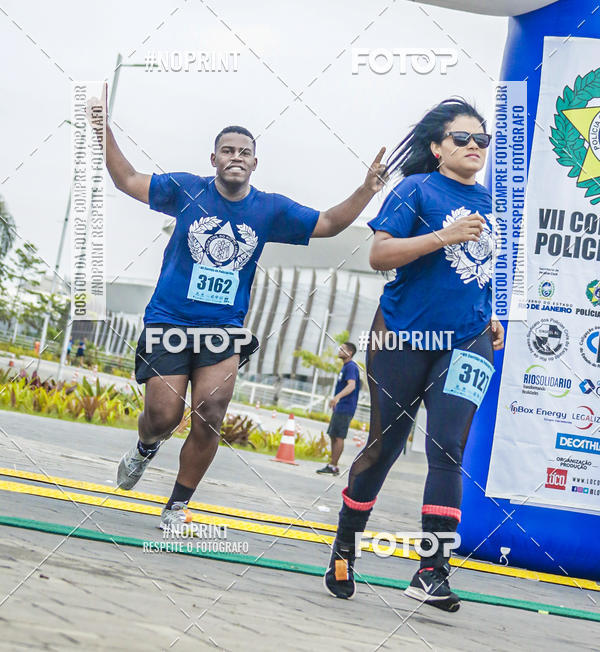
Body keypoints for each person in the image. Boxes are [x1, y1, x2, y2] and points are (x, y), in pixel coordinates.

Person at [97, 107, 386, 533]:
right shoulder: (185, 190)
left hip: (223, 329)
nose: (236, 156)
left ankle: (177, 506)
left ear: (254, 163)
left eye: (244, 152)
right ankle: (144, 448)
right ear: (213, 159)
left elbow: (327, 223)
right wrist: (101, 128)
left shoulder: (268, 210)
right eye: (227, 150)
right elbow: (126, 180)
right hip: (170, 321)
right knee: (162, 417)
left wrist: (366, 190)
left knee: (211, 411)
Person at [323, 98, 504, 612]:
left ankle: (431, 571)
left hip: (466, 340)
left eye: (481, 140)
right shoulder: (415, 190)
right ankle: (345, 546)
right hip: (402, 336)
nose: (473, 147)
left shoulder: (492, 203)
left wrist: (487, 313)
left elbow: (477, 270)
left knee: (448, 447)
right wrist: (443, 235)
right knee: (386, 442)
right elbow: (380, 255)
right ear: (436, 147)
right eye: (461, 139)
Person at [317, 342, 360, 476]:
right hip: (340, 407)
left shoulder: (351, 367)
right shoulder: (345, 367)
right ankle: (332, 464)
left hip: (346, 406)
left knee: (339, 436)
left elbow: (351, 385)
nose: (339, 350)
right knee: (333, 434)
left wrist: (337, 397)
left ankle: (333, 466)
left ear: (350, 353)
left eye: (343, 349)